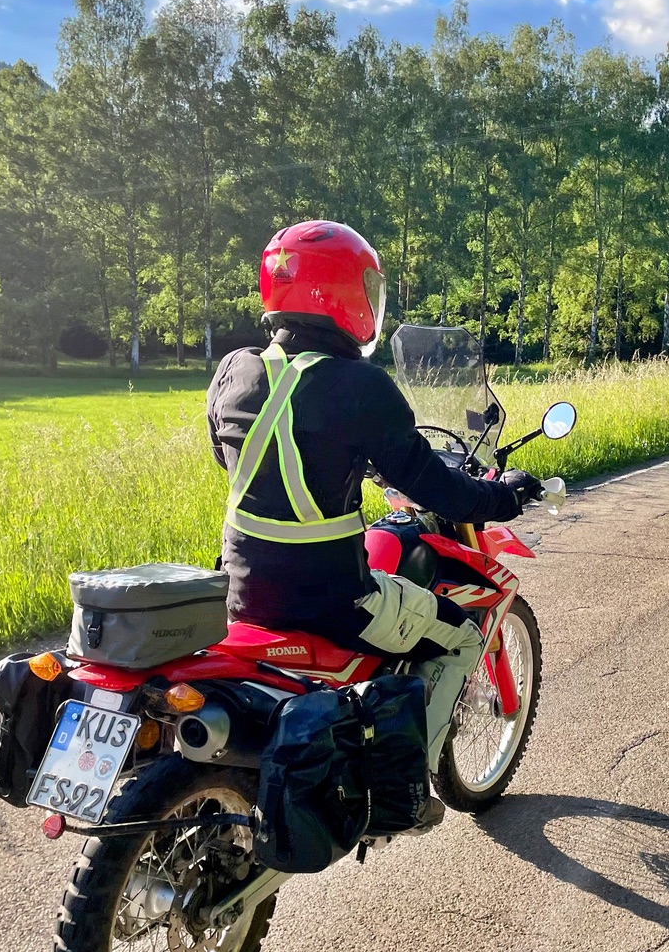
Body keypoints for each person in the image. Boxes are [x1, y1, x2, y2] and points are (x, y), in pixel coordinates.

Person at [207, 219, 540, 790]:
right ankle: (409, 787)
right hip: (333, 602)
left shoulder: (235, 368)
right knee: (463, 635)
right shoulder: (361, 386)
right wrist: (503, 497)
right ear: (343, 294)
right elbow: (438, 489)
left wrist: (337, 463)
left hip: (239, 592)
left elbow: (230, 456)